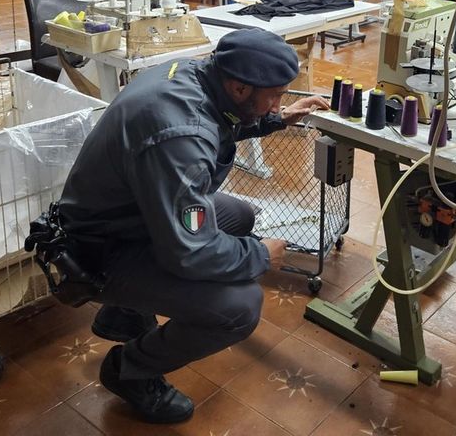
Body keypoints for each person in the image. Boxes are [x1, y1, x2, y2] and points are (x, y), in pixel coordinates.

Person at [55, 28, 329, 424]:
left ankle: (123, 313)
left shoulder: (194, 74)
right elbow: (190, 252)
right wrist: (258, 255)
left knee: (238, 215)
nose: (278, 103)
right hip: (99, 249)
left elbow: (221, 118)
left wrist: (274, 119)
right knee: (240, 307)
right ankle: (129, 370)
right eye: (274, 96)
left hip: (124, 214)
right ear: (239, 87)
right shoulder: (180, 134)